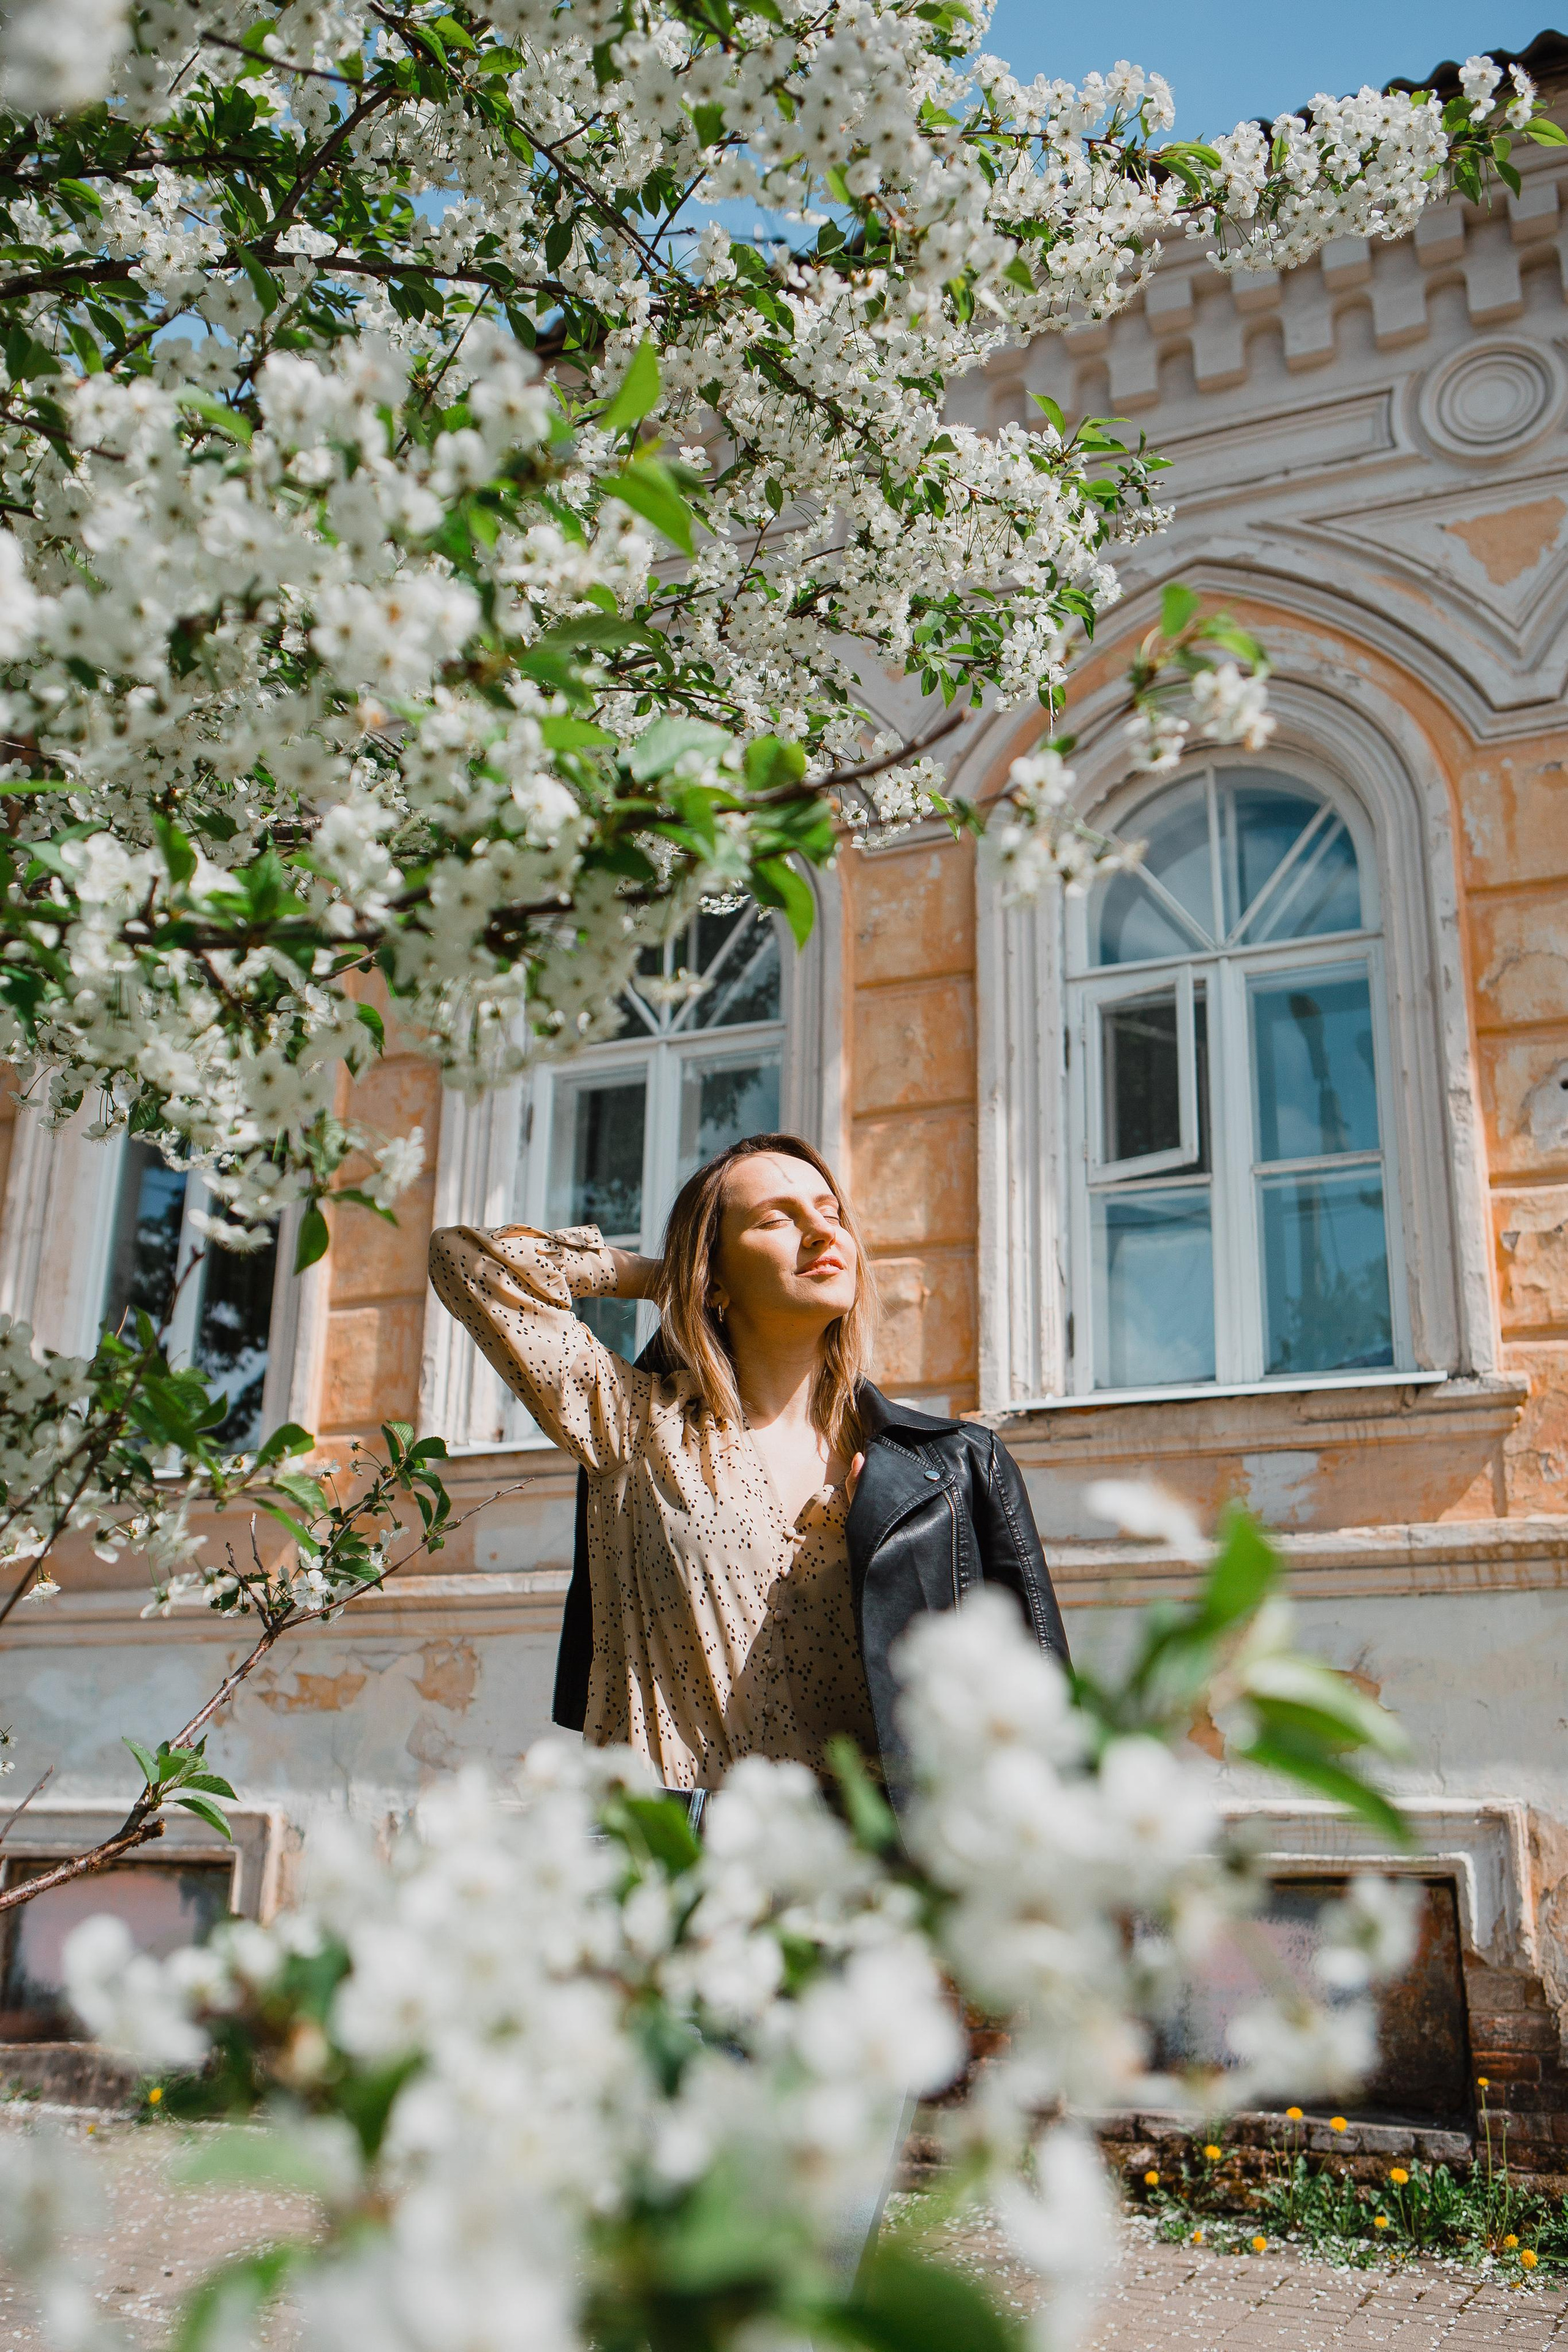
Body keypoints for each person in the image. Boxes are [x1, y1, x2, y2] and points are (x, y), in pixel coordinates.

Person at [428, 1131, 1068, 1812]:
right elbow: (466, 1260)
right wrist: (661, 1275)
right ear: (715, 1274)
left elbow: (1034, 1690)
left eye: (831, 1213)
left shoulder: (947, 1465)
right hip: (684, 1855)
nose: (822, 1232)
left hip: (876, 1859)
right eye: (777, 1219)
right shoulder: (634, 1425)